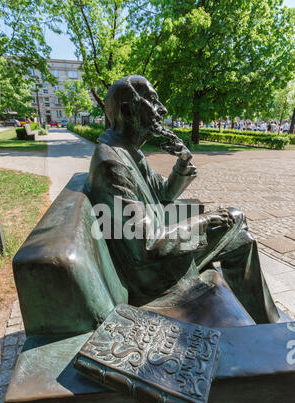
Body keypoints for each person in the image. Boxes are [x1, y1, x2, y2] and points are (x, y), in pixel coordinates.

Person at [87, 75, 280, 324]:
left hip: (158, 257)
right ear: (128, 109)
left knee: (240, 233)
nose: (162, 109)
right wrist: (205, 219)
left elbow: (164, 194)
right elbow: (149, 245)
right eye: (152, 100)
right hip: (152, 275)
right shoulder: (112, 163)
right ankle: (270, 325)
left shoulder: (128, 152)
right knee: (238, 229)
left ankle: (267, 323)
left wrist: (182, 163)